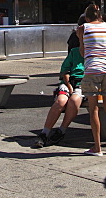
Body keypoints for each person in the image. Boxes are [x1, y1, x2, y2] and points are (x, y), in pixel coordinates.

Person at [33, 19, 86, 148]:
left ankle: (61, 130)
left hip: (84, 84)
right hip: (69, 82)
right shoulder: (74, 52)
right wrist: (69, 85)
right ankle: (45, 133)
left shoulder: (95, 54)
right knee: (61, 101)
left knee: (74, 101)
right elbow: (65, 72)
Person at [78, 4, 106, 155]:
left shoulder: (83, 28)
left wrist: (82, 42)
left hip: (92, 69)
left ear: (87, 17)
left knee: (93, 109)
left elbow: (83, 52)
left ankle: (97, 148)